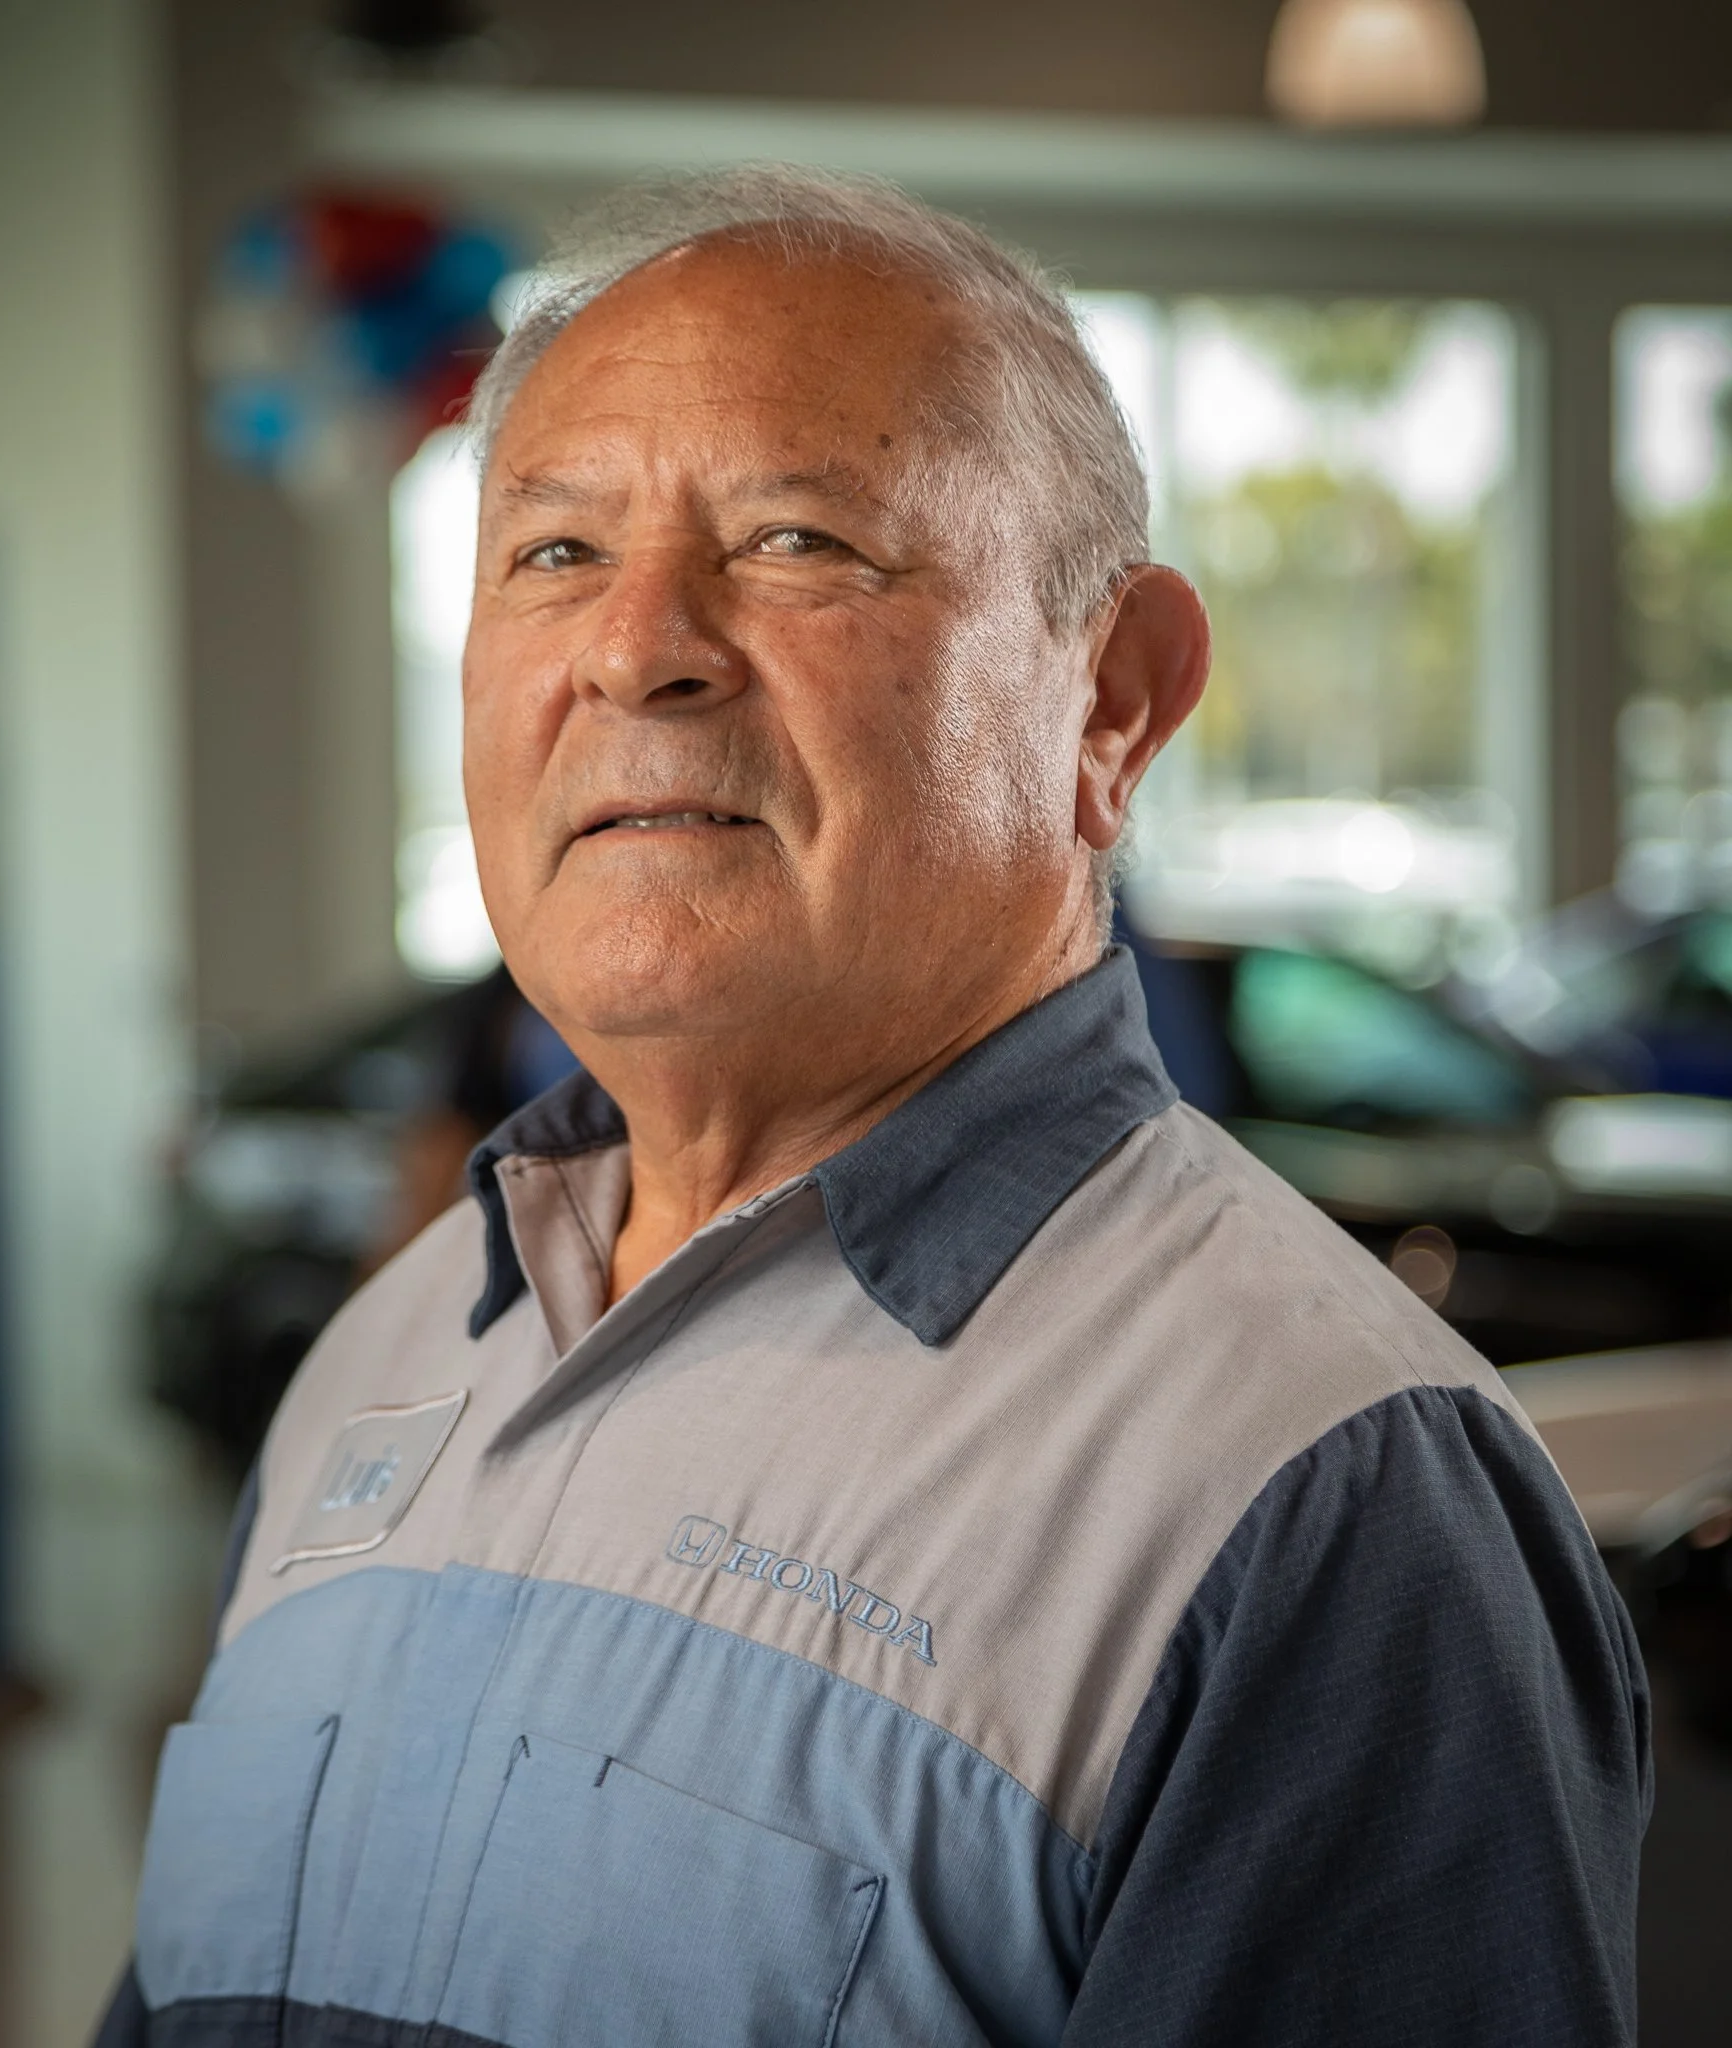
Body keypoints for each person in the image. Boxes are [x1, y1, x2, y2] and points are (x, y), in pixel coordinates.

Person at [97, 167, 1647, 2047]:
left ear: (1115, 702)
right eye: (554, 552)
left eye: (798, 539)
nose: (635, 646)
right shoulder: (392, 1352)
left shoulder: (1324, 1500)